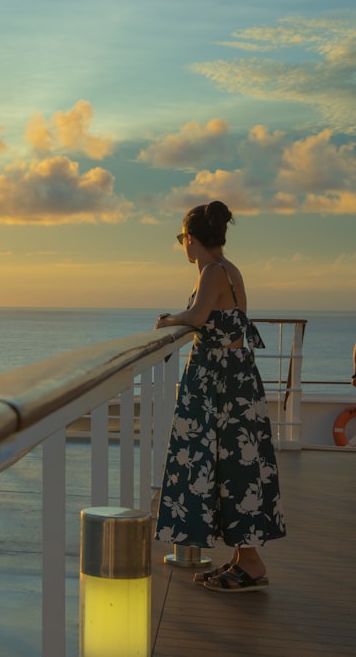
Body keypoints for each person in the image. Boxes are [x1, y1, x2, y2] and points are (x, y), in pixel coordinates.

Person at [154, 200, 286, 593]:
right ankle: (243, 559)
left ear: (191, 239)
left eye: (182, 238)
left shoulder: (212, 272)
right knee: (236, 465)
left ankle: (252, 563)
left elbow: (197, 318)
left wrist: (169, 320)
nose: (183, 245)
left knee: (229, 465)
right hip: (236, 377)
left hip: (220, 382)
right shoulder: (230, 269)